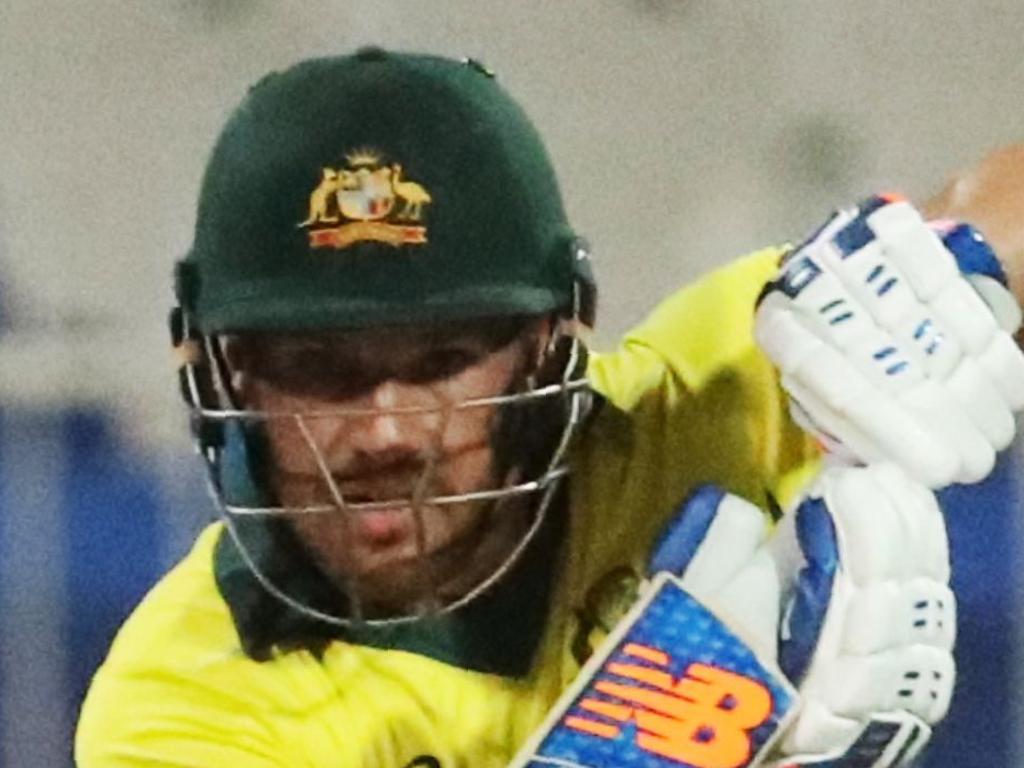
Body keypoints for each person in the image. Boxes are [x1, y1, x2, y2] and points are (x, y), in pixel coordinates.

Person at [75, 49, 1022, 768]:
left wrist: (948, 282)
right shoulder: (179, 704)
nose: (386, 434)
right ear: (225, 373)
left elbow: (988, 213)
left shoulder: (693, 410)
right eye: (319, 368)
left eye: (446, 359)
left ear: (556, 343)